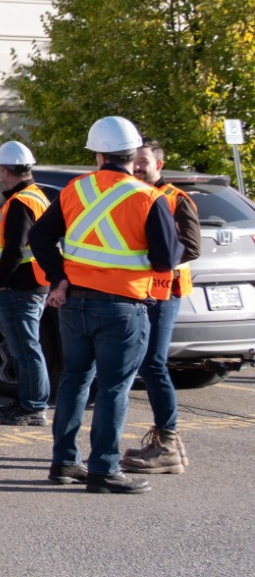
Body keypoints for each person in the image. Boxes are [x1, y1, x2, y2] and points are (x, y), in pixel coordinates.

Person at [30, 116, 177, 493]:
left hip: (75, 303)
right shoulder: (148, 197)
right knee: (113, 388)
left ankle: (64, 463)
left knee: (74, 381)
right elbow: (165, 260)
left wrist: (58, 274)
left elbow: (40, 236)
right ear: (133, 154)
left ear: (98, 154)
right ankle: (104, 470)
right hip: (122, 307)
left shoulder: (75, 189)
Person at [122, 139, 203, 475]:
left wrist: (156, 263)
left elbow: (192, 247)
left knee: (154, 364)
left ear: (159, 164)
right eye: (135, 161)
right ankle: (168, 443)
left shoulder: (174, 198)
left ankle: (167, 443)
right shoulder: (135, 195)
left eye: (144, 161)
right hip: (141, 291)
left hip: (164, 291)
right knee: (148, 363)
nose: (138, 167)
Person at [0, 140, 52, 427]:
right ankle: (27, 402)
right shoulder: (36, 196)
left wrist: (2, 281)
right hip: (31, 284)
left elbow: (15, 249)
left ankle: (33, 406)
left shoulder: (20, 202)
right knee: (24, 348)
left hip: (21, 287)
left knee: (26, 348)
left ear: (5, 171)